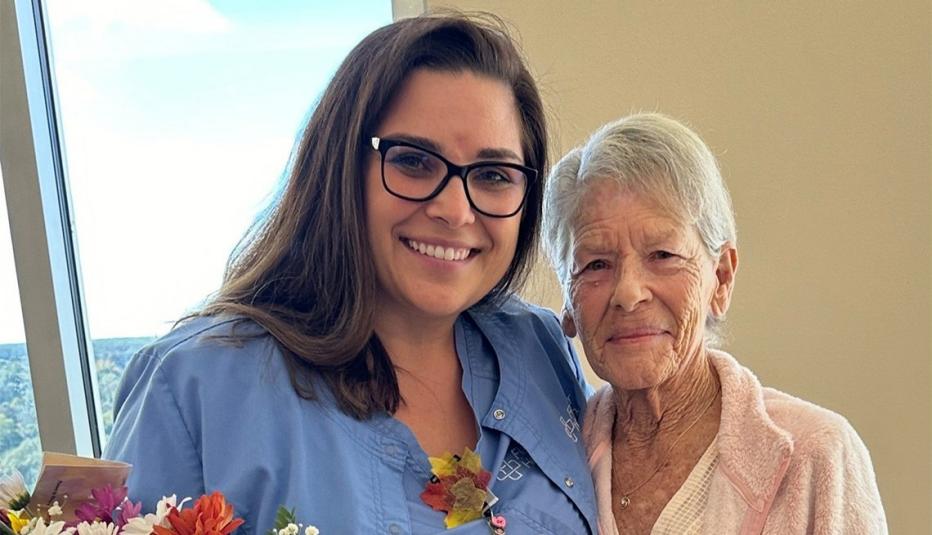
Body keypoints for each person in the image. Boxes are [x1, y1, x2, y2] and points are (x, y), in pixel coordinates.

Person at [106, 14, 598, 534]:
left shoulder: (541, 346)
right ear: (340, 168)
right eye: (413, 161)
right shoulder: (196, 390)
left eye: (494, 175)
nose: (456, 211)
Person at [542, 113, 887, 534]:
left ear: (721, 277)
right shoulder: (545, 462)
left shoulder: (816, 457)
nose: (629, 293)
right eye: (596, 264)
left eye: (663, 255)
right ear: (567, 302)